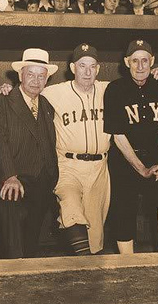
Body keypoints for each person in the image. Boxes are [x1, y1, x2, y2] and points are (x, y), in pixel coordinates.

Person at [103, 39, 158, 254]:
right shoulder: (115, 89)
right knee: (122, 208)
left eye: (144, 61)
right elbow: (118, 135)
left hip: (154, 155)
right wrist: (141, 169)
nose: (140, 66)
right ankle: (127, 261)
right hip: (124, 158)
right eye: (135, 61)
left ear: (152, 61)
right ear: (127, 62)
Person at [0, 48, 59, 259]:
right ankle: (13, 276)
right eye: (30, 74)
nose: (35, 80)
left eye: (41, 75)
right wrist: (9, 176)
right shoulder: (1, 100)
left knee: (32, 240)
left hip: (41, 180)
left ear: (47, 79)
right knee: (13, 246)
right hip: (12, 178)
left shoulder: (45, 105)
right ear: (20, 75)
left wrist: (51, 178)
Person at [40, 44, 112, 254]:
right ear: (73, 67)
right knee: (70, 207)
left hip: (99, 167)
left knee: (95, 234)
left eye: (92, 66)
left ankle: (88, 275)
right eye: (82, 66)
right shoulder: (53, 92)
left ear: (98, 69)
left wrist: (157, 75)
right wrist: (6, 89)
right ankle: (82, 264)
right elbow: (27, 93)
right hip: (67, 166)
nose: (87, 72)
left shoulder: (109, 90)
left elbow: (138, 87)